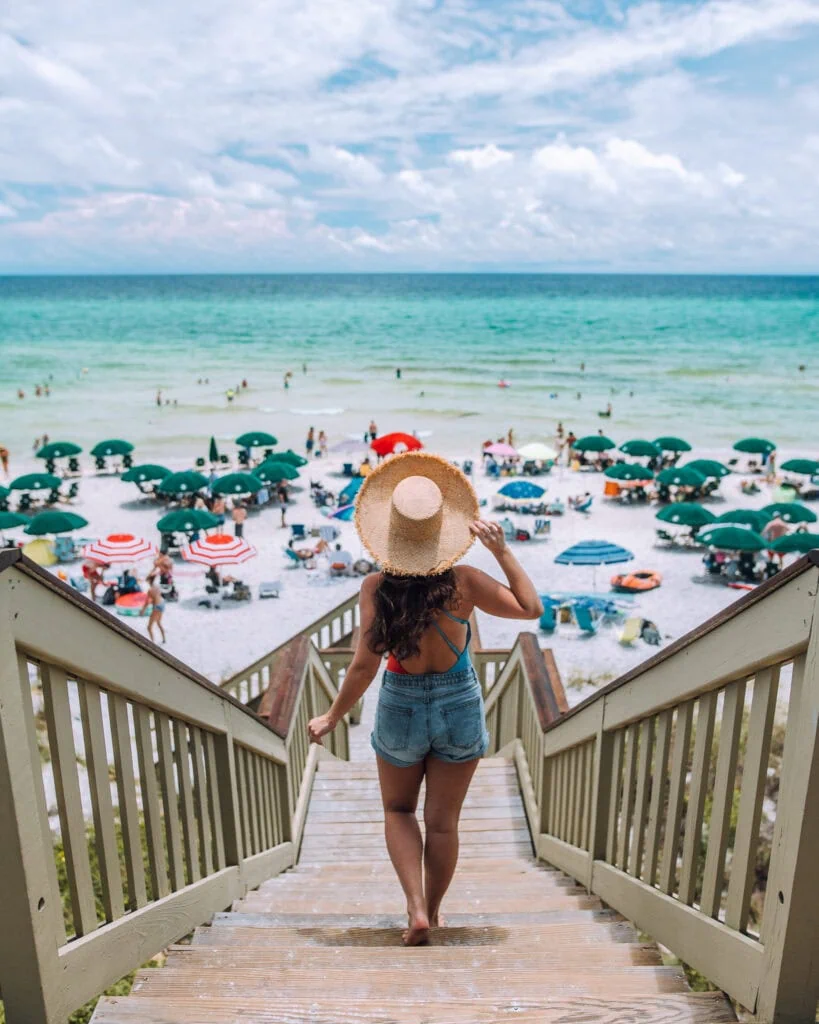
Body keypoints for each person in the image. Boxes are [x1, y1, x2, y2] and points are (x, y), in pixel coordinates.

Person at [307, 453, 542, 946]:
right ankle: (433, 912)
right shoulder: (465, 583)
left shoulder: (375, 587)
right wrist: (500, 551)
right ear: (444, 532)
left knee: (398, 811)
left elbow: (364, 666)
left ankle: (413, 907)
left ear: (390, 534)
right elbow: (530, 608)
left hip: (401, 705)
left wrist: (332, 715)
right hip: (458, 703)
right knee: (443, 823)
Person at [141, 577, 166, 644]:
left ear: (149, 581)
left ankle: (152, 643)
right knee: (158, 623)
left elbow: (147, 602)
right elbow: (157, 597)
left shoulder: (150, 590)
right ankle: (164, 639)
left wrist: (142, 611)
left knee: (149, 627)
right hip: (162, 604)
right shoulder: (157, 587)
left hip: (157, 607)